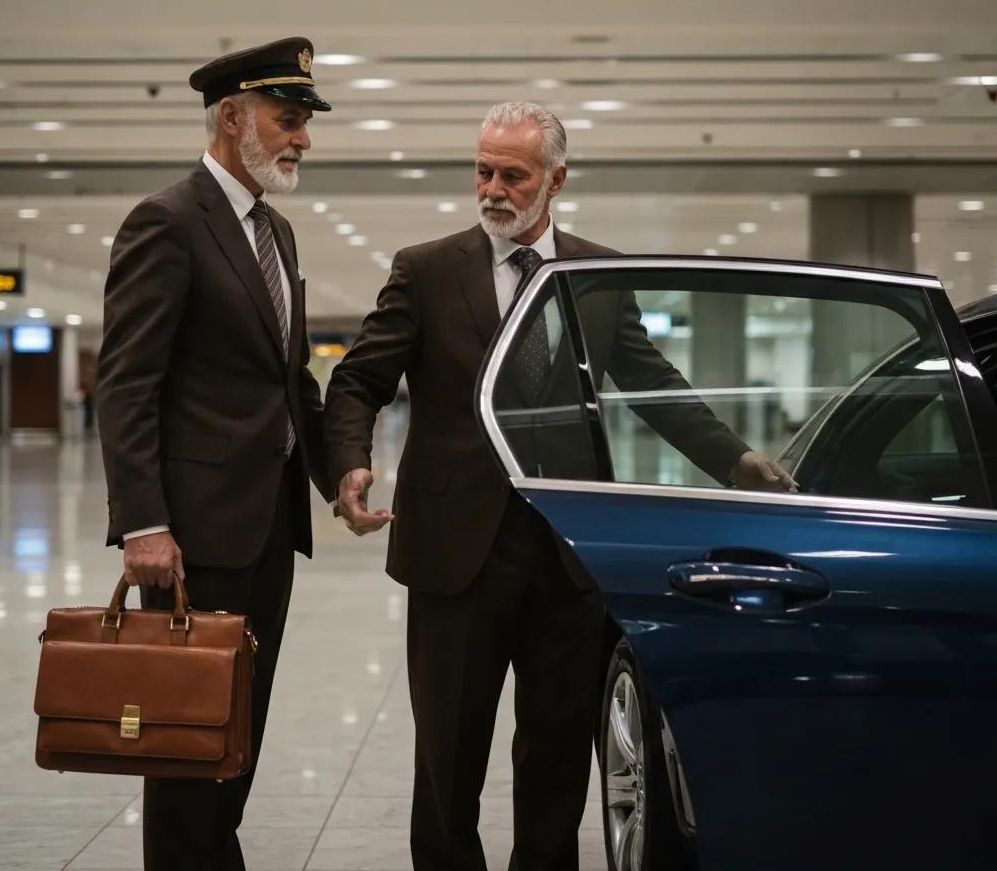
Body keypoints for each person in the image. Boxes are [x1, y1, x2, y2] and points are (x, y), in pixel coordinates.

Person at [324, 101, 796, 871]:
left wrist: (737, 461)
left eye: (514, 174)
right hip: (454, 558)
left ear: (556, 179)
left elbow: (654, 386)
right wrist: (350, 459)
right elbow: (357, 381)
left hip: (566, 558)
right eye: (483, 171)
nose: (494, 190)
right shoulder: (427, 270)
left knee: (554, 761)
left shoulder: (596, 277)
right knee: (448, 761)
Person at [95, 37, 333, 871]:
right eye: (289, 119)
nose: (302, 139)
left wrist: (340, 476)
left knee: (237, 733)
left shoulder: (278, 234)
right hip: (192, 541)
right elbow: (125, 386)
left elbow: (291, 381)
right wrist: (144, 524)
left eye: (303, 123)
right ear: (233, 117)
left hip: (268, 533)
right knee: (186, 742)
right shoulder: (167, 220)